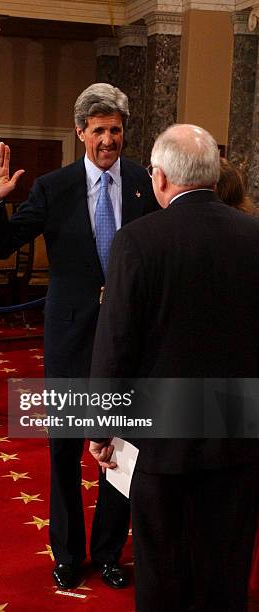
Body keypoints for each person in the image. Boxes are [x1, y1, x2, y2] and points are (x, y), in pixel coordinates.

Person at [0, 83, 159, 589]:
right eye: (98, 130)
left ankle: (107, 551)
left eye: (116, 130)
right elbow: (1, 245)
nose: (108, 139)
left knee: (120, 449)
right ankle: (67, 552)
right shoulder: (53, 187)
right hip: (69, 338)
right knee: (64, 450)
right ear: (80, 131)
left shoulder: (145, 183)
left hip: (127, 340)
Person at [89, 124, 259, 611]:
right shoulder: (254, 235)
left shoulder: (137, 241)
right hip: (239, 433)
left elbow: (116, 342)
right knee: (225, 570)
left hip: (162, 438)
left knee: (162, 570)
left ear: (159, 178)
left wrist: (100, 428)